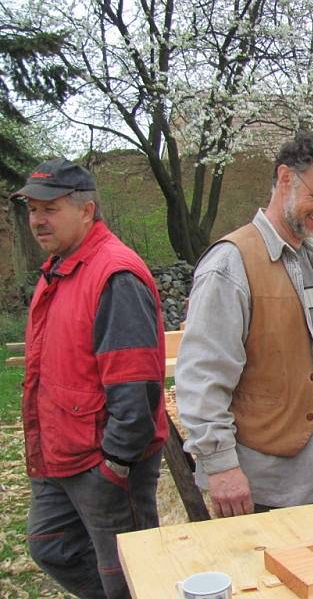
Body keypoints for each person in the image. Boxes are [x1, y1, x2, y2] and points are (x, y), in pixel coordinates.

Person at [176, 131, 313, 517]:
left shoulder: (309, 258)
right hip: (263, 486)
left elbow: (297, 359)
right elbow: (201, 379)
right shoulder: (229, 265)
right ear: (285, 178)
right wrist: (221, 466)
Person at [14, 158, 167, 599]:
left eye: (50, 208)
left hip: (107, 464)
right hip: (59, 454)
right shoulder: (60, 267)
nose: (38, 221)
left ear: (86, 210)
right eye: (32, 210)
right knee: (52, 546)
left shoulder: (113, 273)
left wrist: (115, 466)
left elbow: (135, 389)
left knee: (131, 577)